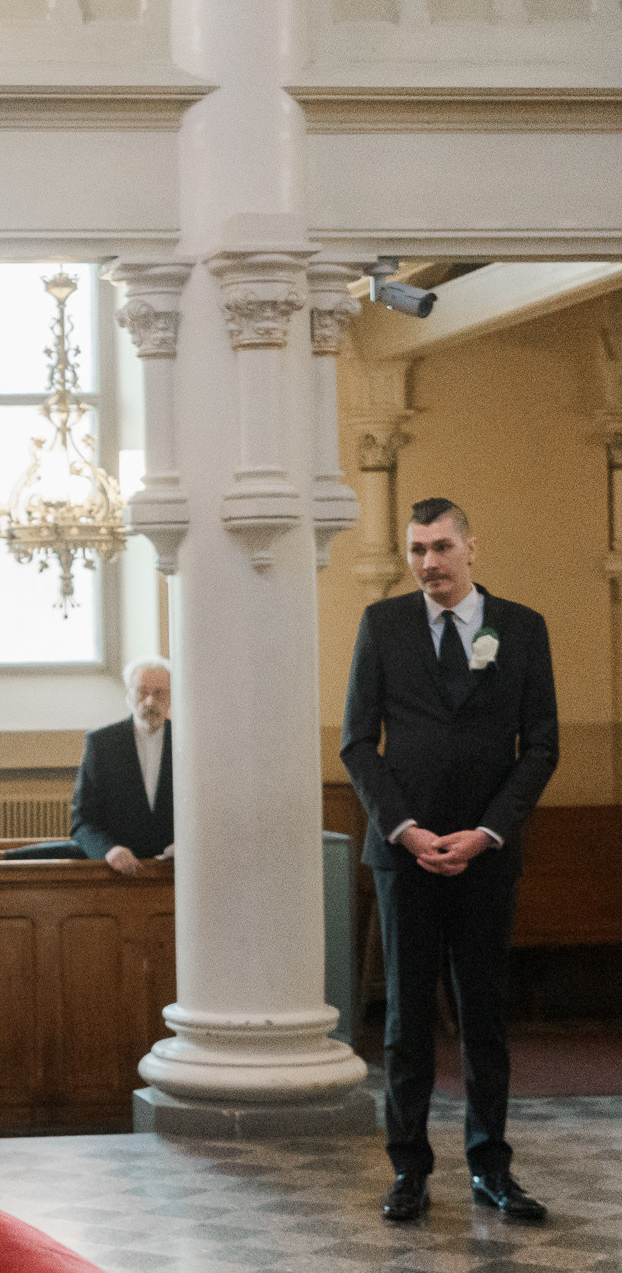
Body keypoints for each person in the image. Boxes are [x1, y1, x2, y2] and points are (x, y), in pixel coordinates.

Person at [343, 498, 558, 1225]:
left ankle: (491, 1167)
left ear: (472, 545)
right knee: (403, 1018)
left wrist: (487, 831)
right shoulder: (384, 625)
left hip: (486, 856)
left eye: (440, 546)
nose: (428, 562)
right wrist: (404, 828)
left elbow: (544, 745)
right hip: (405, 856)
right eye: (415, 549)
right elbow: (355, 743)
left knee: (484, 1014)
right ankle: (408, 1169)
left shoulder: (520, 628)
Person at [70, 657, 175, 876]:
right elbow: (83, 821)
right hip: (114, 876)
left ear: (172, 696)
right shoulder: (101, 744)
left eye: (159, 693)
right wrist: (109, 850)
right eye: (142, 692)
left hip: (174, 876)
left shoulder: (189, 743)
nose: (149, 701)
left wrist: (187, 847)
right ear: (129, 695)